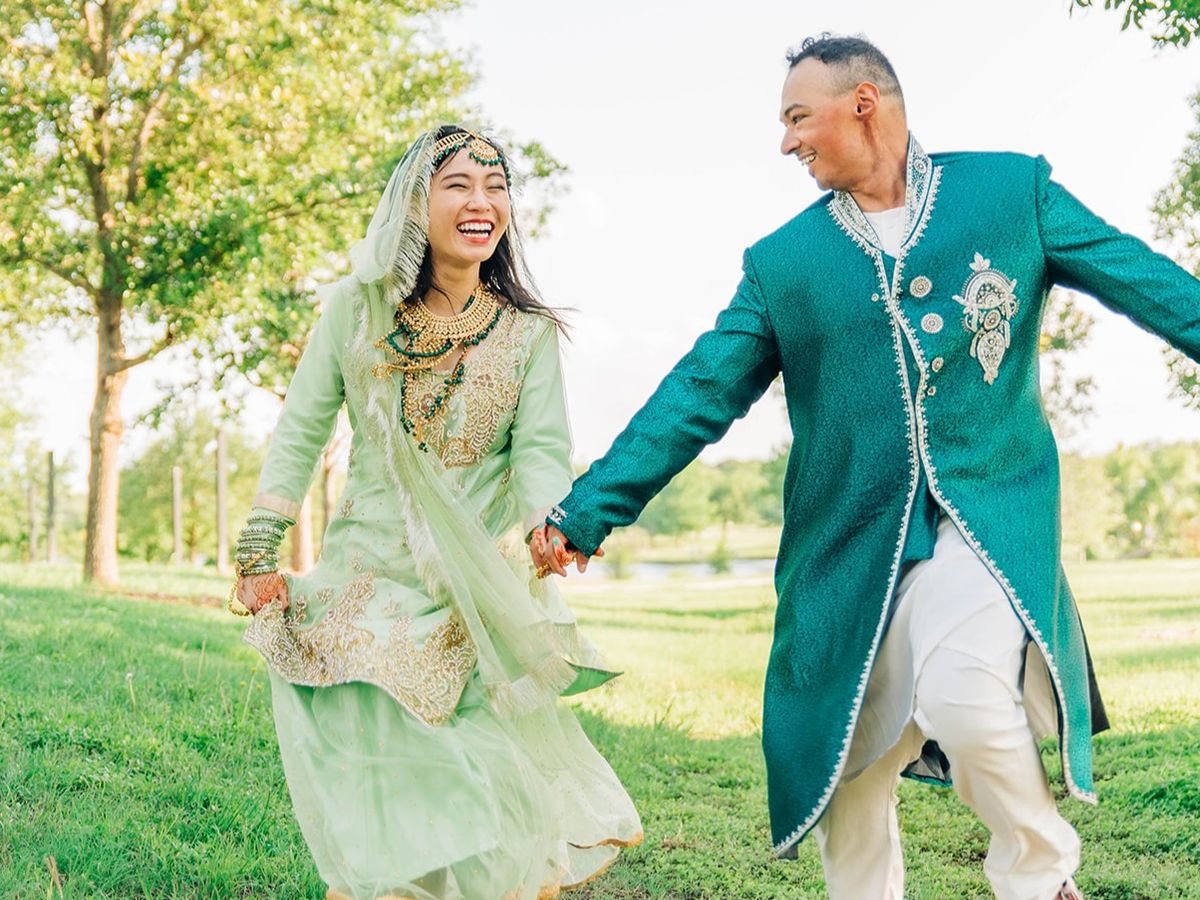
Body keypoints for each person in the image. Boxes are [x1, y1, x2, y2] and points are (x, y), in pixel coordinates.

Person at [531, 34, 1200, 900]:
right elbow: (697, 392)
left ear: (864, 103)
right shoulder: (783, 264)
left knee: (967, 696)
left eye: (797, 118)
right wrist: (589, 509)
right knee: (847, 776)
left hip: (986, 521)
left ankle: (1042, 881)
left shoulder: (1011, 193)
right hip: (844, 549)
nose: (785, 142)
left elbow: (1144, 280)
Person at [231, 124, 642, 900]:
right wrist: (259, 549)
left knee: (475, 756)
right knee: (375, 731)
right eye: (458, 185)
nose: (481, 202)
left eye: (496, 187)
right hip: (366, 570)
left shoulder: (528, 335)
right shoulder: (355, 310)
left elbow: (540, 453)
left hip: (474, 587)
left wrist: (548, 527)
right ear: (415, 205)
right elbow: (300, 429)